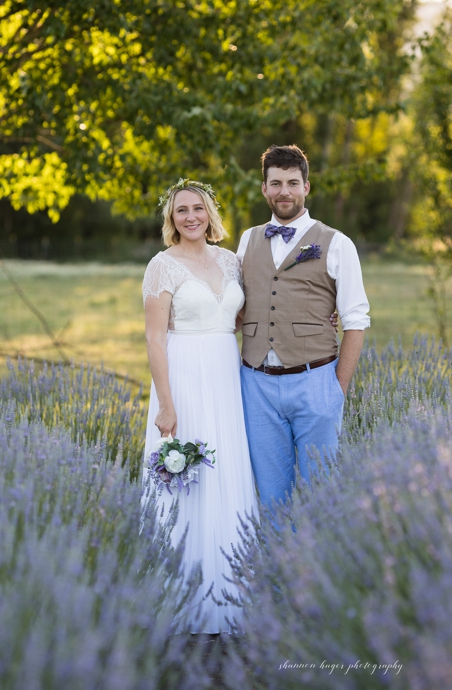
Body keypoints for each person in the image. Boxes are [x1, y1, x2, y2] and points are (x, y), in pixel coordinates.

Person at [141, 179, 260, 633]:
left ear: (211, 213)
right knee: (184, 482)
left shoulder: (231, 261)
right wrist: (166, 404)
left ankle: (231, 594)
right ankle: (180, 600)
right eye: (181, 211)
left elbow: (247, 319)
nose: (190, 216)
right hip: (184, 375)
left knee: (228, 470)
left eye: (198, 208)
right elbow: (154, 338)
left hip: (226, 376)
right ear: (171, 220)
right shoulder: (162, 266)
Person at [236, 144, 369, 515]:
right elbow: (235, 308)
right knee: (271, 497)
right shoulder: (247, 240)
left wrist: (336, 389)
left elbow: (356, 319)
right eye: (275, 183)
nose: (284, 192)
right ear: (264, 188)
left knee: (320, 495)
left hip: (315, 381)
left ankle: (319, 571)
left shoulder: (337, 242)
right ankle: (278, 571)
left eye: (292, 183)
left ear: (306, 188)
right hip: (256, 384)